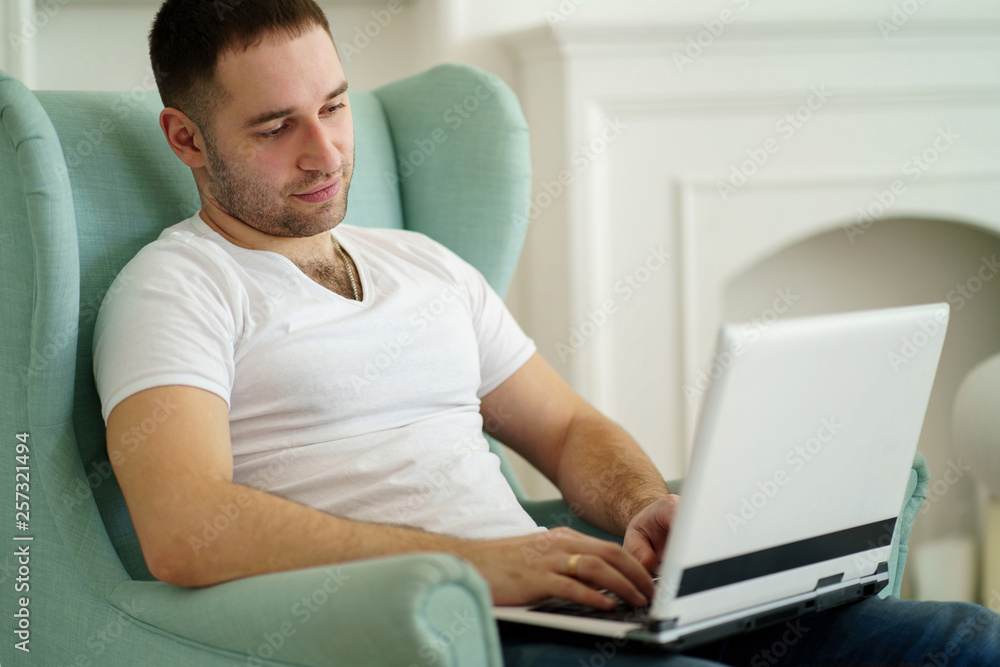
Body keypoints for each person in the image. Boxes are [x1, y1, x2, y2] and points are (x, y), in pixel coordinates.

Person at [93, 0, 1000, 664]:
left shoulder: (425, 263)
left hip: (559, 603)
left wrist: (643, 507)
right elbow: (187, 525)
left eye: (333, 105)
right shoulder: (176, 288)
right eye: (275, 127)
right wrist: (478, 566)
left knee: (963, 639)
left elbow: (566, 428)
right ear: (186, 138)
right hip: (429, 630)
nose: (325, 153)